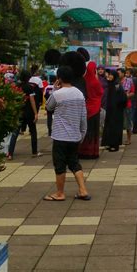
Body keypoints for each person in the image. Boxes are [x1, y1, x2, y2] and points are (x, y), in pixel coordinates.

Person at [44, 65, 90, 201]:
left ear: (59, 78)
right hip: (75, 135)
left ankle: (60, 193)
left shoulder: (58, 94)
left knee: (59, 164)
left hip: (60, 136)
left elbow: (48, 106)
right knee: (74, 163)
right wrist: (82, 133)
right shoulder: (79, 93)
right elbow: (83, 116)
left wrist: (54, 89)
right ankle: (83, 190)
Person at [7, 69, 41, 159]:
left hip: (19, 112)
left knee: (15, 133)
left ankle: (10, 153)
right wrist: (35, 113)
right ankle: (34, 152)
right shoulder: (30, 87)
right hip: (29, 112)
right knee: (33, 132)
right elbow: (32, 101)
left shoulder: (17, 87)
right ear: (28, 78)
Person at [78, 61, 103, 159]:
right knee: (94, 130)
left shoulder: (83, 80)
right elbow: (100, 92)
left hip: (85, 107)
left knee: (84, 129)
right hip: (95, 108)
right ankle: (92, 152)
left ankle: (83, 151)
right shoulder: (95, 81)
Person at [101, 70, 127, 151]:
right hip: (110, 110)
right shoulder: (111, 84)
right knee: (109, 127)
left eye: (111, 75)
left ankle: (115, 145)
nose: (109, 76)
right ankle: (109, 143)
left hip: (116, 111)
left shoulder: (117, 85)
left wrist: (117, 105)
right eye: (109, 75)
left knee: (115, 127)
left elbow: (123, 98)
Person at [118, 68, 134, 145]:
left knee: (128, 123)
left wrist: (126, 96)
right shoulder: (116, 82)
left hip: (127, 104)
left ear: (123, 74)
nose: (118, 74)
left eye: (119, 73)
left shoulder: (129, 81)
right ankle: (118, 139)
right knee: (118, 123)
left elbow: (133, 92)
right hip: (118, 105)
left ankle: (129, 139)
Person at [97, 65, 109, 131]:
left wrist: (107, 78)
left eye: (102, 69)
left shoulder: (106, 78)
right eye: (99, 69)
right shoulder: (96, 78)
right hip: (99, 99)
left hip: (106, 99)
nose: (100, 70)